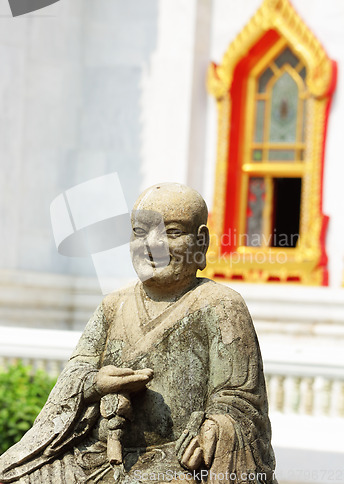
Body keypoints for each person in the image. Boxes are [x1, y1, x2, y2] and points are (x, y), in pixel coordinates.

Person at [0, 183, 277, 483]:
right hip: (98, 454)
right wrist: (95, 384)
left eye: (171, 232)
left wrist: (212, 431)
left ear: (200, 242)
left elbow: (239, 402)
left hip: (172, 459)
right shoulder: (112, 305)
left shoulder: (221, 305)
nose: (152, 245)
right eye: (140, 232)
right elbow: (75, 375)